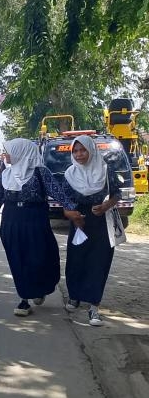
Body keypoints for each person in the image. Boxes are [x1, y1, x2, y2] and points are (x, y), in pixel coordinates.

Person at [0, 139, 79, 317]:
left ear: (21, 152)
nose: (5, 154)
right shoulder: (5, 173)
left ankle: (39, 288)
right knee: (17, 258)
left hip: (35, 219)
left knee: (38, 257)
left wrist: (70, 208)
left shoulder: (40, 172)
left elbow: (56, 191)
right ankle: (24, 299)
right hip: (11, 219)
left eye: (8, 151)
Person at [61, 135, 122, 326]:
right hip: (79, 222)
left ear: (91, 150)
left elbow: (116, 194)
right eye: (75, 151)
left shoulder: (105, 170)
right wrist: (72, 216)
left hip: (101, 221)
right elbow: (65, 203)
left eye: (83, 150)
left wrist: (105, 207)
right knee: (76, 261)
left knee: (99, 262)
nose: (79, 155)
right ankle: (74, 296)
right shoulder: (70, 174)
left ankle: (94, 307)